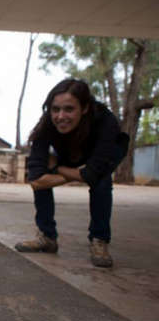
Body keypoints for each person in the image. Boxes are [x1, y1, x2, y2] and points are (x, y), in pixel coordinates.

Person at [15, 78, 129, 268]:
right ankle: (47, 237)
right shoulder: (46, 126)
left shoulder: (105, 121)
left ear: (84, 108)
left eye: (69, 109)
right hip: (70, 155)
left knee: (101, 182)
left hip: (103, 154)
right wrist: (75, 173)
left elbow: (93, 174)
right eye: (55, 109)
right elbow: (35, 180)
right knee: (43, 181)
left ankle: (99, 239)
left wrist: (56, 169)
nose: (60, 116)